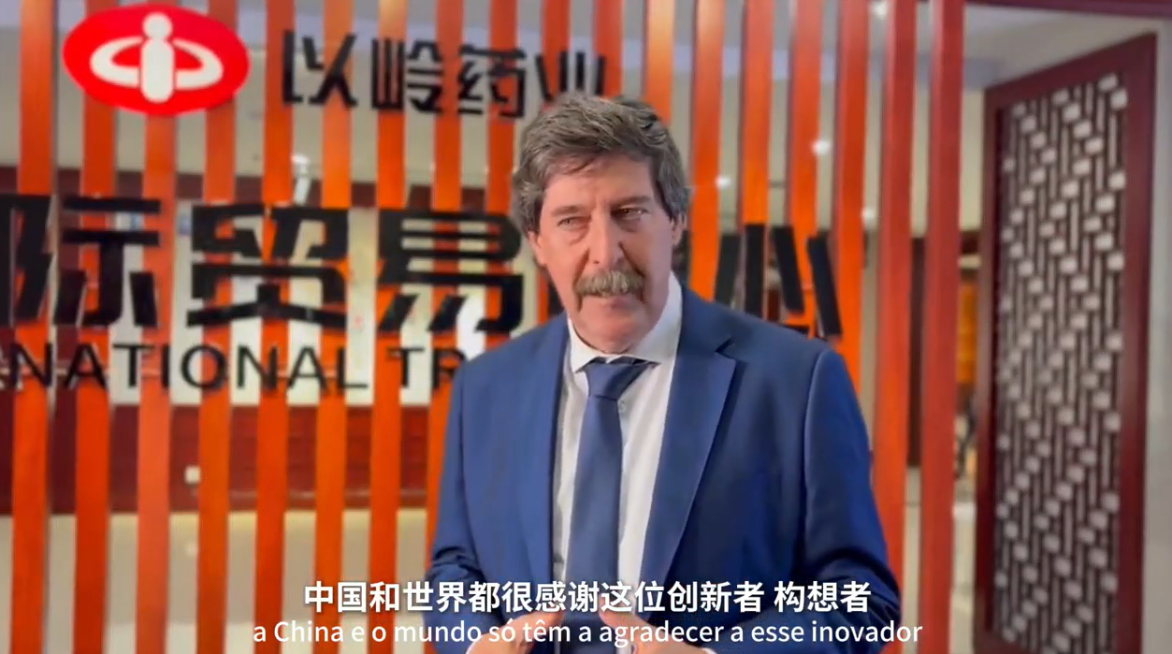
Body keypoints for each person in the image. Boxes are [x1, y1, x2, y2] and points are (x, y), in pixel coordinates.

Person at [423, 92, 900, 654]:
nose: (605, 253)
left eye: (630, 213)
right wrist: (474, 644)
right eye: (572, 221)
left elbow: (859, 598)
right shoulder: (486, 388)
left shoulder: (798, 381)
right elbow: (454, 570)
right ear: (537, 243)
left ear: (675, 222)